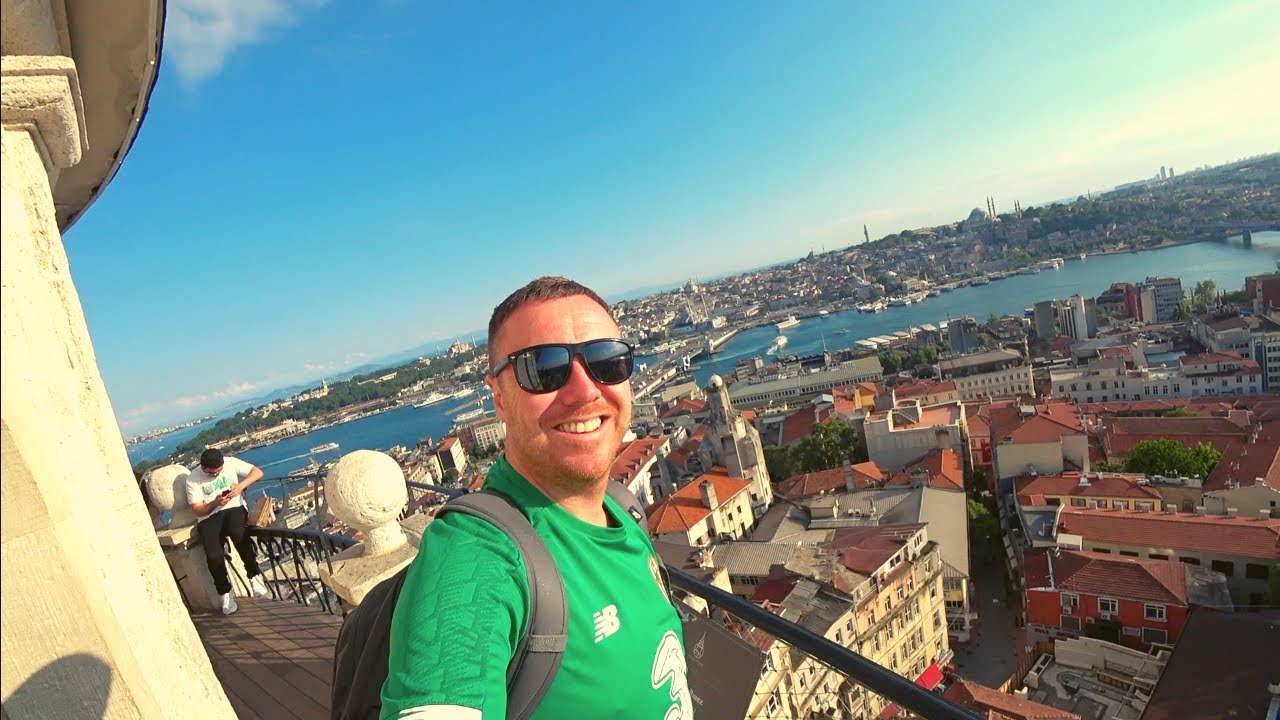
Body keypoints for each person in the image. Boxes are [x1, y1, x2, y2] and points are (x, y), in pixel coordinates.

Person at [381, 277, 692, 719]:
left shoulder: (623, 510)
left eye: (607, 361)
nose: (585, 391)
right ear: (500, 399)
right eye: (544, 370)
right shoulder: (475, 556)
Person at [186, 447, 270, 614]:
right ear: (204, 468)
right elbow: (198, 510)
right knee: (213, 555)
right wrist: (215, 503)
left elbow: (257, 472)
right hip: (209, 516)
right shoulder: (193, 479)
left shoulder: (231, 463)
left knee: (240, 536)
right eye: (212, 473)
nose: (217, 474)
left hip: (234, 508)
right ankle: (225, 592)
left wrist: (240, 487)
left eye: (219, 471)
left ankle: (254, 576)